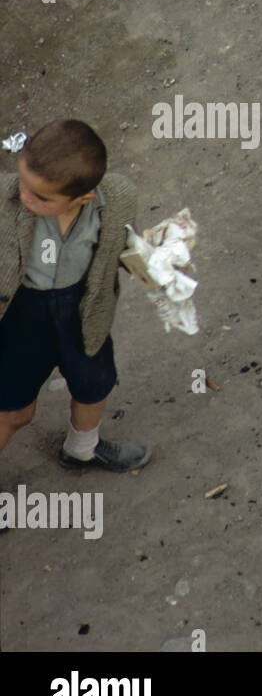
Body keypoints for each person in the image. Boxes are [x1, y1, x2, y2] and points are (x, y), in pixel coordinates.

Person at [0, 120, 152, 471]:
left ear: (84, 197)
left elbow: (120, 245)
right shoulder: (7, 203)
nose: (24, 195)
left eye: (40, 196)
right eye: (22, 181)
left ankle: (82, 448)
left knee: (94, 386)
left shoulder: (114, 201)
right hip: (23, 316)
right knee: (13, 410)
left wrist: (155, 264)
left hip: (84, 311)